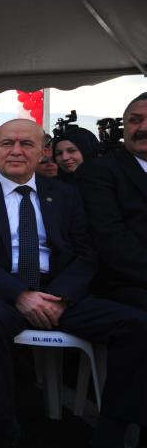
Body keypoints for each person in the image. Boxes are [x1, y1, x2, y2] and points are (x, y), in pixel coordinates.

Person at [0, 119, 147, 448]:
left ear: (43, 151)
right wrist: (19, 294)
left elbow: (87, 253)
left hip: (60, 292)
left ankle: (108, 444)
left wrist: (60, 296)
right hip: (1, 291)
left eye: (26, 144)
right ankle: (5, 435)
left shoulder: (66, 195)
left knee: (137, 325)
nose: (16, 151)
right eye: (6, 144)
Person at [78, 94, 147, 310]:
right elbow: (111, 238)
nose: (143, 128)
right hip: (129, 284)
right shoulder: (98, 171)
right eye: (135, 120)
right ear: (124, 126)